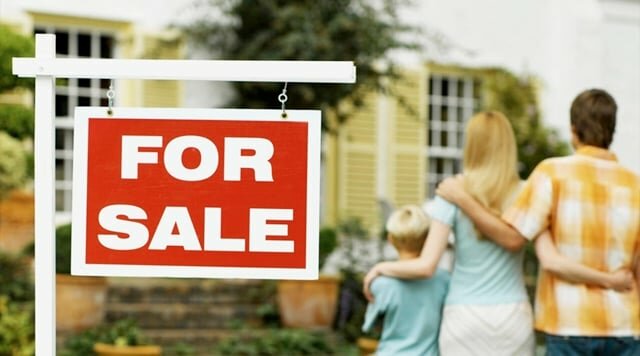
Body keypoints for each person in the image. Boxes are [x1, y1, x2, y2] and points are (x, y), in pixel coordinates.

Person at [363, 111, 631, 356]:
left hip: (463, 317)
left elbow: (425, 266)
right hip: (512, 317)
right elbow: (547, 257)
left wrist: (381, 267)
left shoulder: (452, 193)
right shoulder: (527, 191)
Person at [436, 89, 640, 355]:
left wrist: (462, 198)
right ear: (612, 130)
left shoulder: (551, 174)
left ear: (573, 130)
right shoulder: (635, 184)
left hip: (568, 324)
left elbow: (513, 238)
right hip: (624, 326)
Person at [362, 205, 450, 356]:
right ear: (428, 239)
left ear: (390, 239)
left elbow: (371, 326)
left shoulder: (380, 283)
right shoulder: (445, 280)